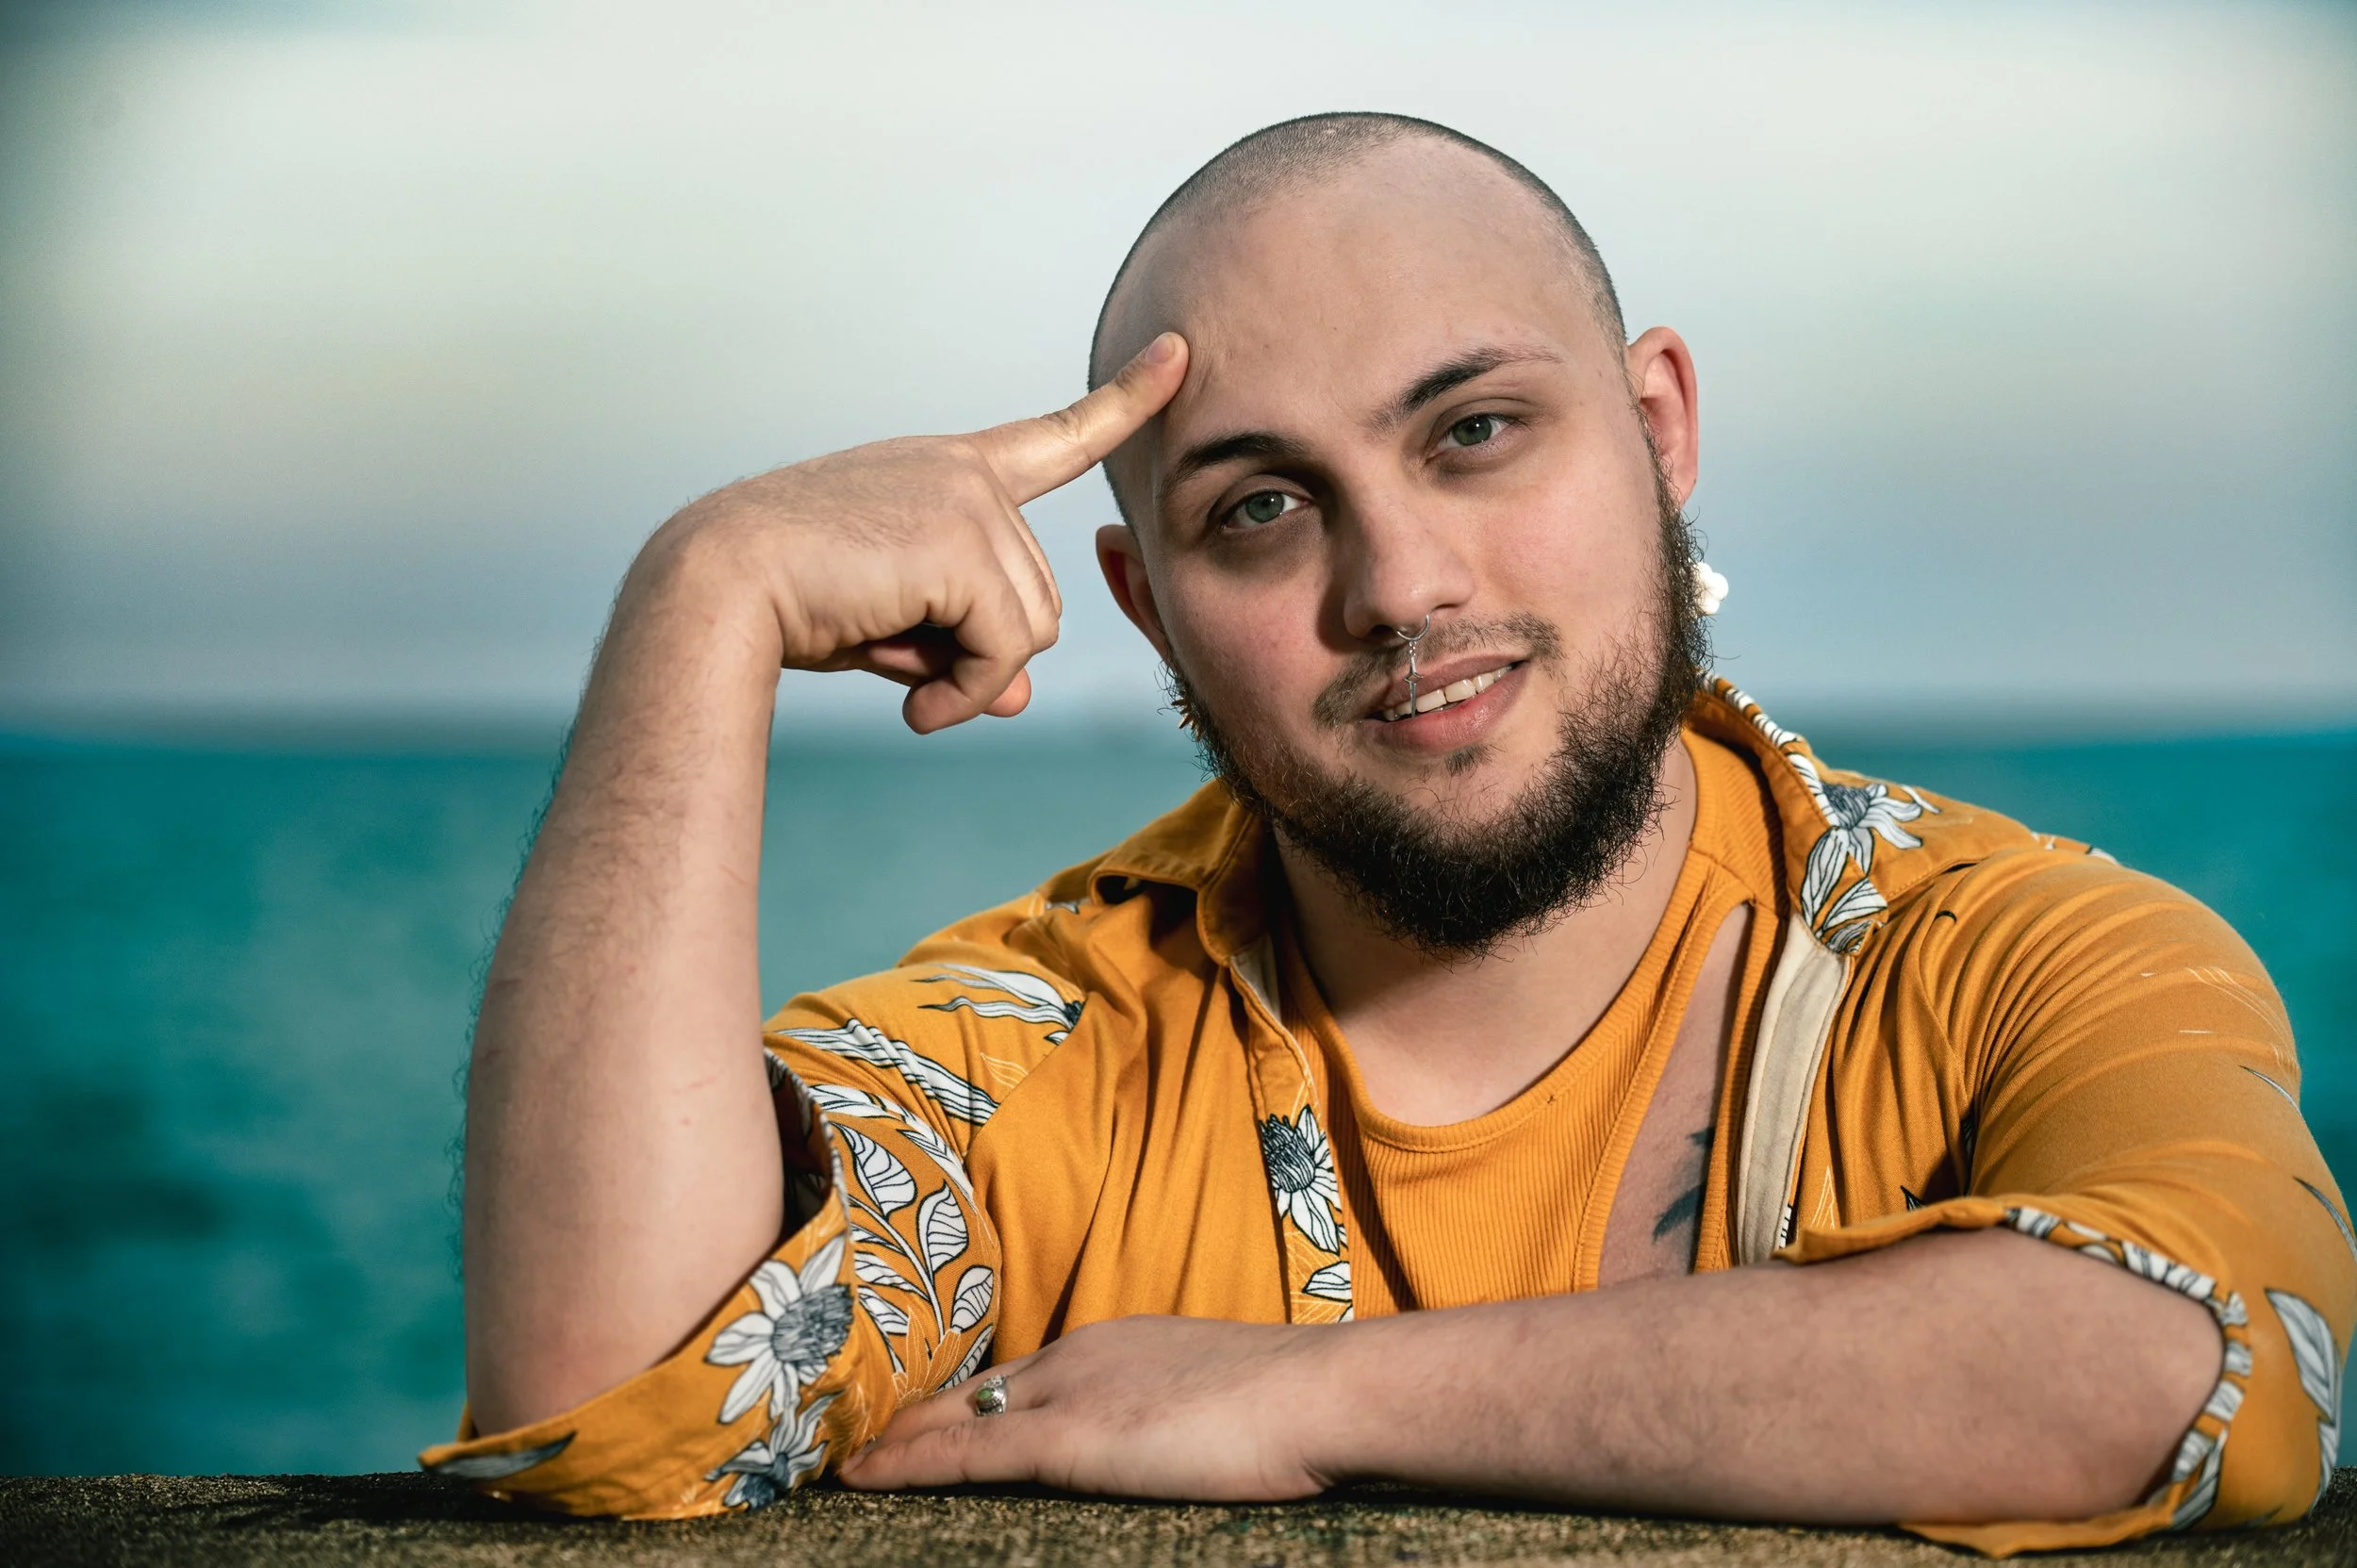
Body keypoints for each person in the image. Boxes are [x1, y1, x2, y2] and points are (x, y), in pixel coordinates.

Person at [423, 114, 2351, 1552]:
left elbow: (2193, 1363)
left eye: (1474, 432)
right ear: (1146, 604)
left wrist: (1298, 1394)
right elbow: (614, 1392)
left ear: (1658, 427)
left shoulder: (2021, 959)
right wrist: (705, 599)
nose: (1402, 585)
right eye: (1259, 510)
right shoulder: (1052, 1045)